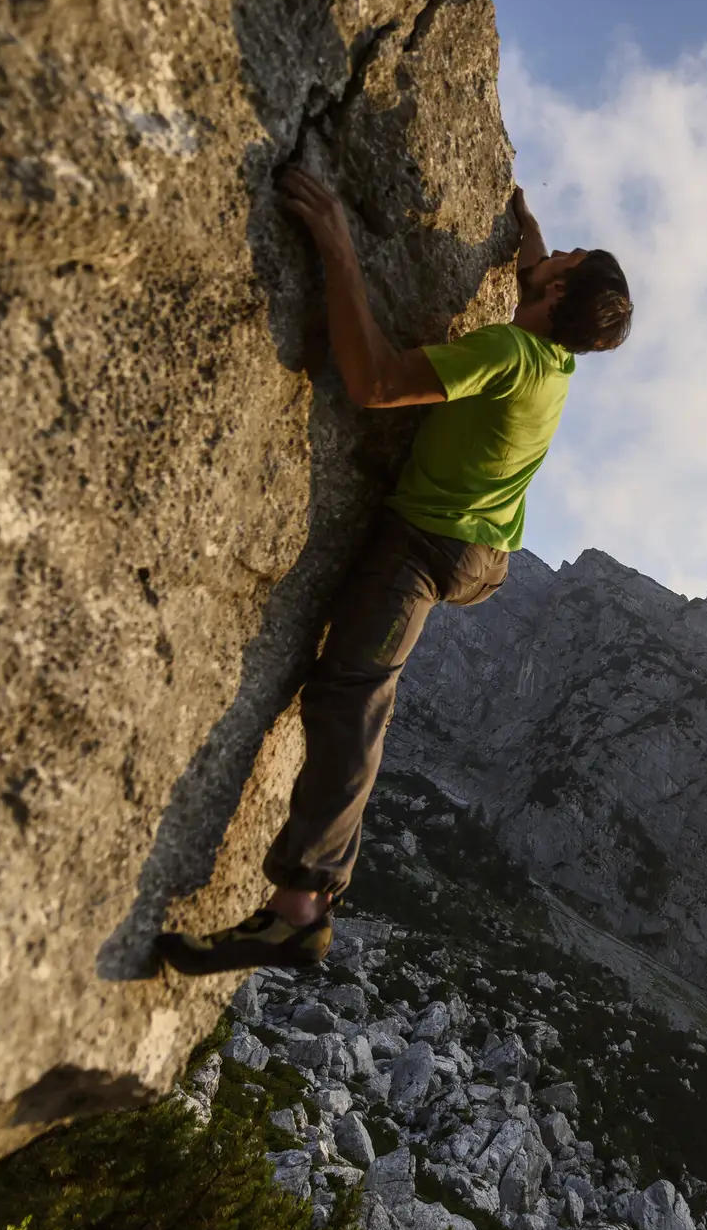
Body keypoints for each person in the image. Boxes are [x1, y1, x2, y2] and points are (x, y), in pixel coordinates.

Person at [157, 167, 631, 975]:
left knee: (351, 693)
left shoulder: (511, 351)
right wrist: (523, 219)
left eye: (564, 258)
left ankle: (301, 906)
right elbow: (537, 267)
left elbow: (375, 383)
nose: (552, 254)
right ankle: (304, 894)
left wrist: (338, 242)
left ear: (558, 296)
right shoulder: (558, 359)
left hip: (430, 546)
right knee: (356, 687)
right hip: (484, 553)